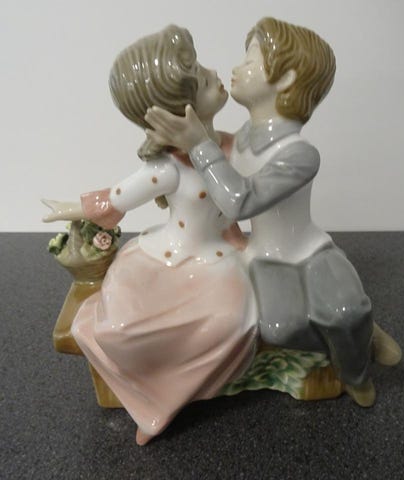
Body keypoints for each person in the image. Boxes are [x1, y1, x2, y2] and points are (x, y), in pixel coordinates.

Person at [144, 17, 402, 407]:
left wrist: (198, 145)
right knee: (279, 327)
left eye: (251, 61)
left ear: (285, 80)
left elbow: (240, 200)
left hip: (308, 249)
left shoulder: (299, 154)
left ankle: (356, 365)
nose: (237, 68)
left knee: (344, 310)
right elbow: (207, 161)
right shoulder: (240, 138)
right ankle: (353, 336)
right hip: (265, 253)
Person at [43, 25, 257, 445]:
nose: (215, 74)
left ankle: (163, 402)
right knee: (119, 326)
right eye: (201, 79)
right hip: (159, 257)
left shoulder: (236, 150)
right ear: (176, 113)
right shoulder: (167, 168)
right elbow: (117, 198)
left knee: (232, 323)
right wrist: (69, 208)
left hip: (217, 262)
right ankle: (139, 394)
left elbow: (255, 197)